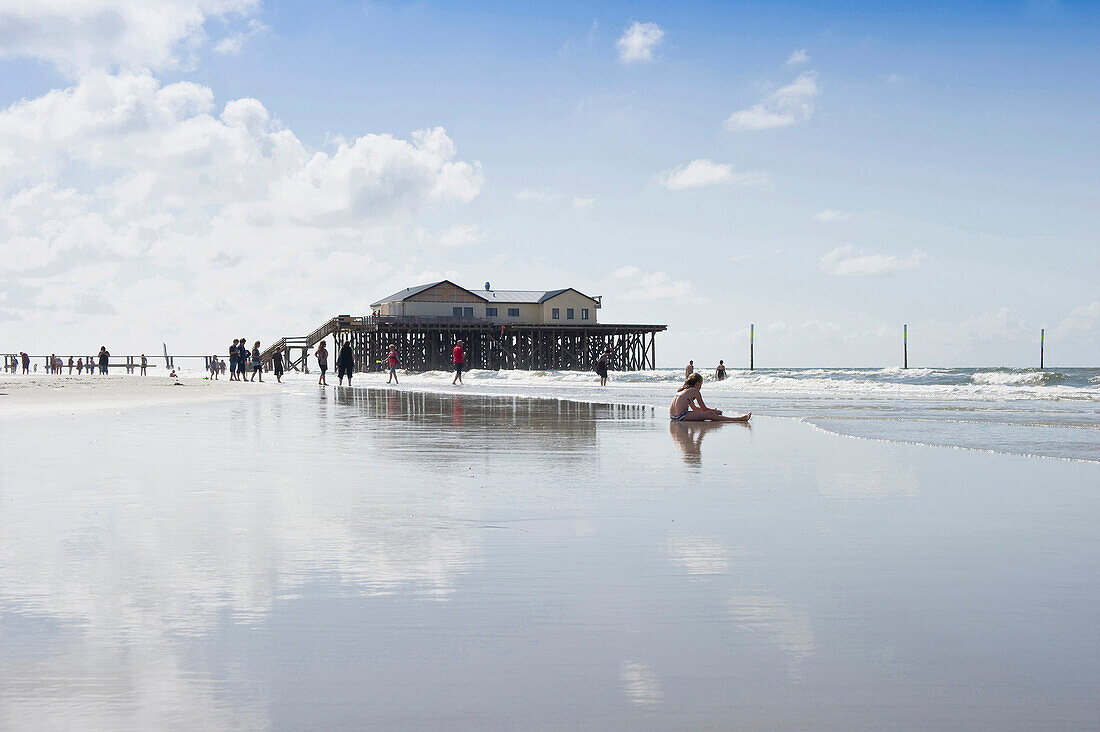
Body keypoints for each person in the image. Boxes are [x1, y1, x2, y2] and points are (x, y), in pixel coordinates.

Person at [669, 373, 750, 423]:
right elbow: (704, 409)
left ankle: (729, 418)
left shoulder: (683, 390)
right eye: (701, 385)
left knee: (709, 414)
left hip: (673, 416)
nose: (701, 387)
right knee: (709, 414)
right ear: (697, 384)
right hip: (680, 416)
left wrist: (713, 411)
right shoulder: (695, 391)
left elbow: (695, 409)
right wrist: (714, 411)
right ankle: (738, 419)